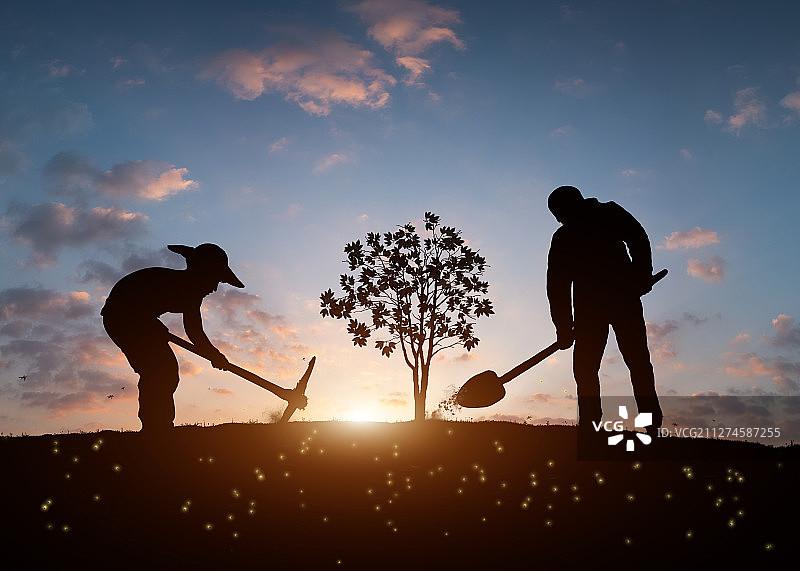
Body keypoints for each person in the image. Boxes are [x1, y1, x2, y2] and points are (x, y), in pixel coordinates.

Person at [546, 186, 662, 436]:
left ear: (569, 207)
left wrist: (642, 274)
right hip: (594, 308)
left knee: (636, 361)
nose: (558, 220)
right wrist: (563, 326)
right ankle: (591, 424)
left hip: (620, 300)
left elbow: (638, 238)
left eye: (558, 214)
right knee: (589, 367)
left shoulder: (606, 214)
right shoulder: (564, 236)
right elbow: (557, 284)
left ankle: (650, 423)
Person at [102, 243, 244, 433]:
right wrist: (214, 355)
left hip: (138, 319)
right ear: (201, 273)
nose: (215, 288)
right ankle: (156, 427)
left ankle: (158, 425)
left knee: (164, 370)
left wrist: (214, 355)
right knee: (160, 369)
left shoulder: (188, 290)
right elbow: (194, 332)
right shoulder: (187, 289)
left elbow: (194, 331)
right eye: (215, 280)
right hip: (121, 317)